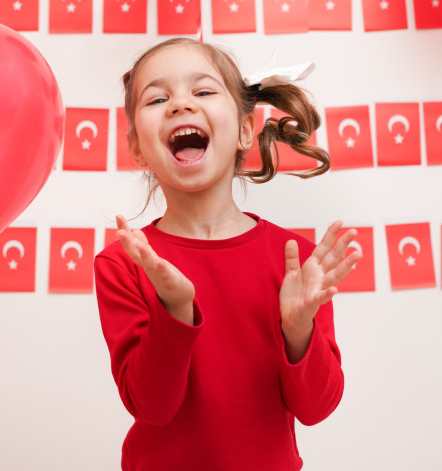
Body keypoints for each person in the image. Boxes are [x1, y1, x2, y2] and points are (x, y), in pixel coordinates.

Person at [94, 37, 361, 471]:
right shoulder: (123, 264)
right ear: (138, 148)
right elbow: (151, 406)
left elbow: (317, 408)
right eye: (158, 98)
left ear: (243, 129)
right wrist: (174, 310)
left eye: (202, 91)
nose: (181, 105)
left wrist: (298, 328)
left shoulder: (298, 263)